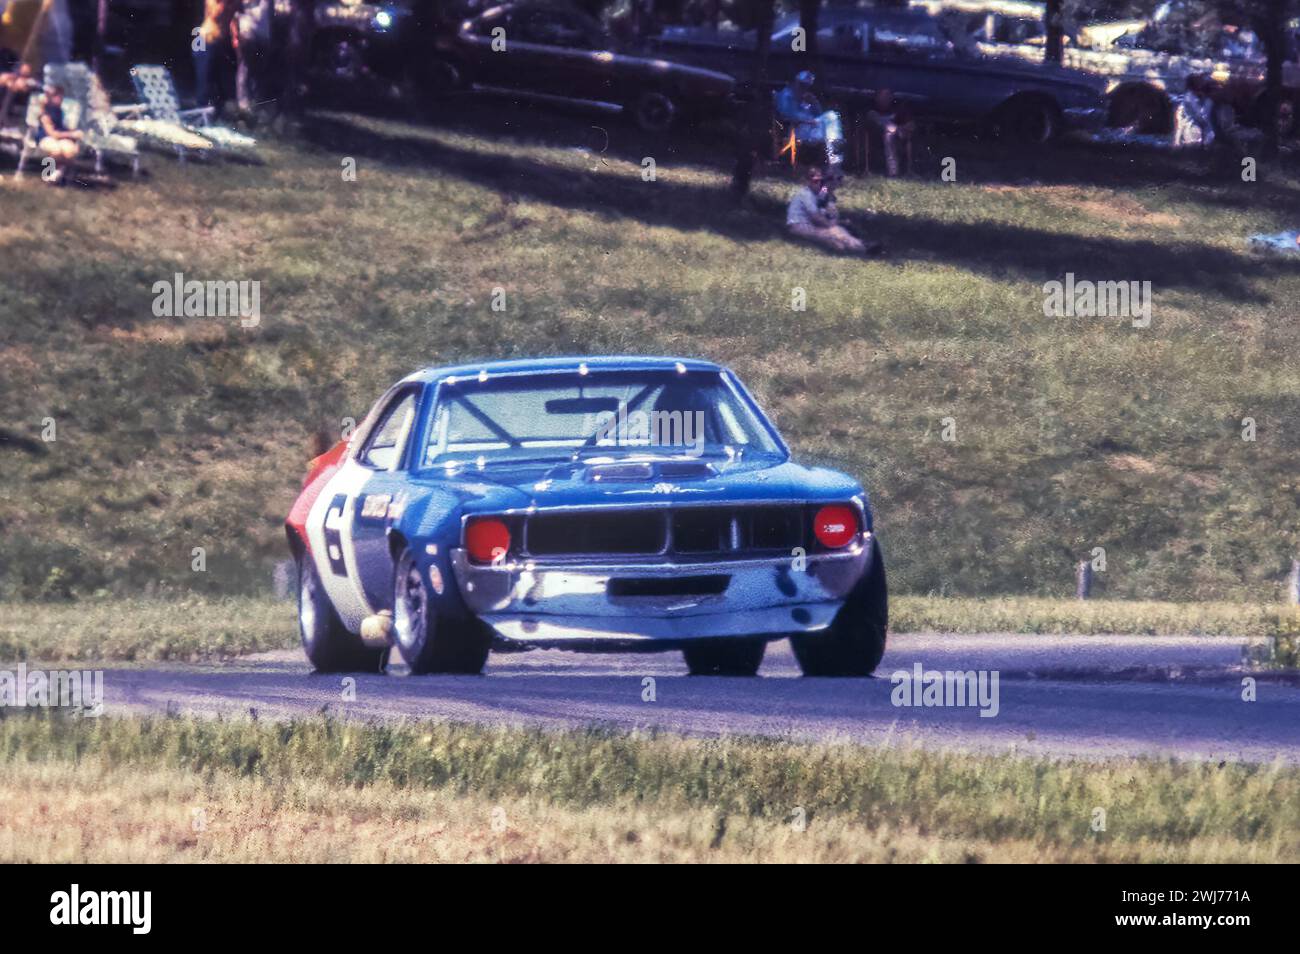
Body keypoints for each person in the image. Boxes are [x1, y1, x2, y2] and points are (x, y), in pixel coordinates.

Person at [786, 166, 879, 255]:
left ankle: (860, 245)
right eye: (815, 181)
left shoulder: (816, 193)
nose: (818, 184)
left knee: (839, 239)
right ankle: (863, 248)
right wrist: (832, 224)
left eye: (820, 181)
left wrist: (829, 197)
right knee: (834, 233)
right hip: (799, 226)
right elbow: (816, 217)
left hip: (808, 225)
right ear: (807, 181)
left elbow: (825, 200)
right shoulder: (806, 194)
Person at [774, 70, 844, 169]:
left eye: (806, 86)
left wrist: (814, 103)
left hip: (812, 126)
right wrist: (806, 120)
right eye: (802, 85)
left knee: (831, 116)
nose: (804, 88)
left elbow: (818, 114)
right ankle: (834, 155)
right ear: (796, 82)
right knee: (829, 123)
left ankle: (834, 150)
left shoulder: (805, 96)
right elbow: (786, 115)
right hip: (796, 128)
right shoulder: (786, 95)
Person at [194, 0, 237, 112]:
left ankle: (218, 113)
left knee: (221, 81)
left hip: (219, 41)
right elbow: (217, 14)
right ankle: (202, 112)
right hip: (205, 40)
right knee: (205, 79)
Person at [36, 85, 82, 184]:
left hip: (59, 137)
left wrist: (72, 133)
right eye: (57, 96)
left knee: (70, 150)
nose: (60, 99)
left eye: (61, 97)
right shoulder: (45, 114)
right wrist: (72, 134)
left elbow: (60, 128)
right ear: (50, 98)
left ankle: (59, 172)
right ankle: (51, 173)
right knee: (56, 150)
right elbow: (52, 134)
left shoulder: (59, 111)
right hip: (46, 138)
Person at [235, 0, 273, 117]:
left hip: (264, 34)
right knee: (245, 68)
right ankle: (243, 103)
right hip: (248, 33)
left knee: (260, 72)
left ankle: (256, 103)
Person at [866, 88, 915, 177]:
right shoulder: (871, 109)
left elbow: (911, 125)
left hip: (895, 136)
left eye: (887, 96)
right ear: (876, 98)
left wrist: (900, 128)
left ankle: (893, 172)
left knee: (889, 135)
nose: (884, 99)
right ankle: (892, 170)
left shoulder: (898, 108)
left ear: (891, 97)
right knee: (886, 129)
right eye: (881, 96)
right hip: (875, 134)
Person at [1172, 75, 1215, 148]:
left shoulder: (1206, 99)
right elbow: (1201, 117)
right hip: (1192, 132)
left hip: (1200, 132)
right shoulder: (1190, 98)